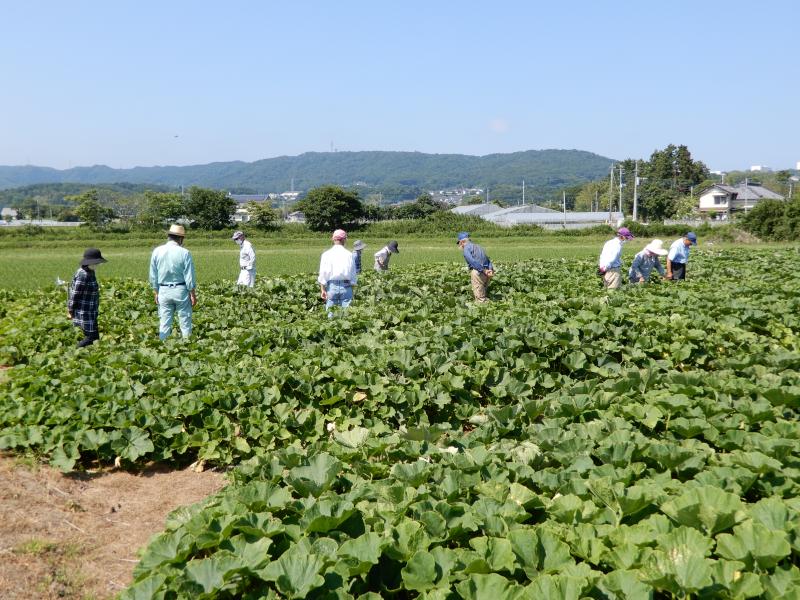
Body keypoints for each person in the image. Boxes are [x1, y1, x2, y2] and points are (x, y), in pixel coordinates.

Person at [149, 224, 197, 340]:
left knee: (164, 324)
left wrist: (156, 292)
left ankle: (163, 347)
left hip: (163, 290)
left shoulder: (157, 251)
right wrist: (193, 294)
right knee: (185, 323)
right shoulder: (185, 252)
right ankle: (187, 346)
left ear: (169, 236)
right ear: (181, 238)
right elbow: (189, 276)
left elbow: (153, 275)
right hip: (180, 290)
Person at [67, 248, 107, 347]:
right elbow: (75, 293)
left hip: (91, 310)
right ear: (89, 263)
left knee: (95, 337)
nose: (97, 265)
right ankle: (75, 350)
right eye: (96, 263)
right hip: (84, 311)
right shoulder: (83, 274)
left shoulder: (90, 272)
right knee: (91, 338)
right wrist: (71, 310)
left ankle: (87, 354)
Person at [318, 229, 357, 317]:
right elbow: (353, 273)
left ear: (333, 239)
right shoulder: (349, 254)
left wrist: (322, 290)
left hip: (331, 286)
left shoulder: (326, 254)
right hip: (346, 286)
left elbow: (323, 274)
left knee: (330, 314)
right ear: (344, 239)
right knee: (346, 316)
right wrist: (352, 288)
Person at [457, 232, 494, 302]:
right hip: (487, 273)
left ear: (462, 242)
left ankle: (484, 311)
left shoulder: (466, 249)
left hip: (478, 272)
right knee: (483, 294)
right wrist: (490, 269)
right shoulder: (478, 246)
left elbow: (472, 262)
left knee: (480, 299)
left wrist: (483, 270)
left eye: (459, 243)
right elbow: (487, 259)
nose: (459, 245)